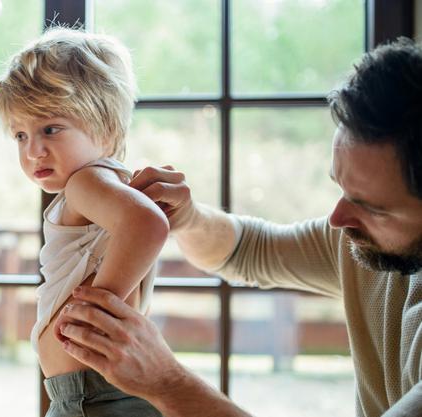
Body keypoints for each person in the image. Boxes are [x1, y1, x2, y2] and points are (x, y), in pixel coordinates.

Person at [54, 37, 422, 416]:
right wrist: (190, 218)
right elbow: (250, 249)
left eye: (372, 208)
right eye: (340, 187)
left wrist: (169, 383)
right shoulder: (362, 241)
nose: (338, 219)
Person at [0, 28, 169, 416]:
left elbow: (149, 225)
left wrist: (93, 314)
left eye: (50, 129)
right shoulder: (100, 184)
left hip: (93, 396)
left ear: (107, 129)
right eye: (21, 135)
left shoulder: (86, 182)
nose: (33, 151)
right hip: (89, 393)